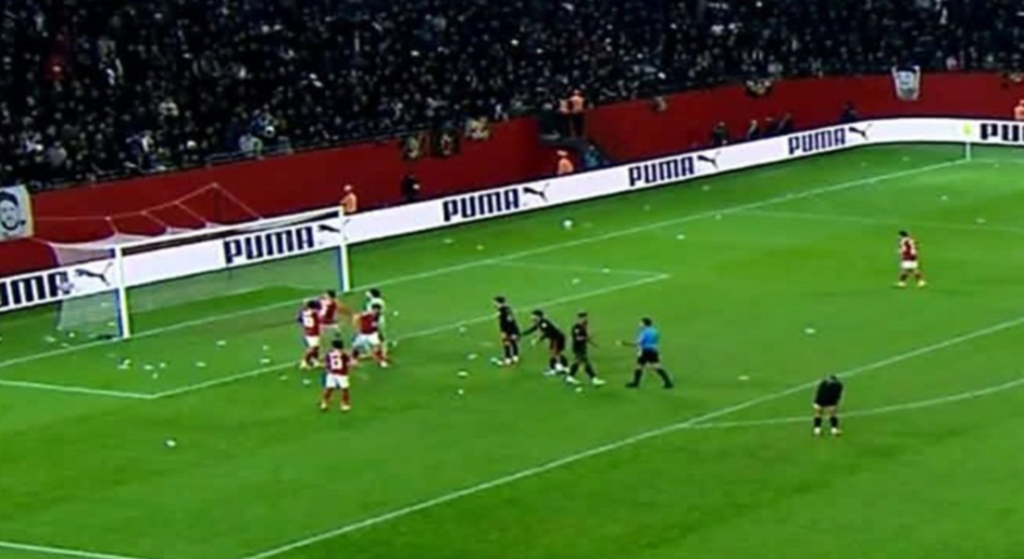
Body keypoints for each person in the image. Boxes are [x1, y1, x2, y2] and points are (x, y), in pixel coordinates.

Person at [625, 318, 673, 389]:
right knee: (639, 366)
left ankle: (635, 383)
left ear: (644, 324)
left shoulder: (644, 332)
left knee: (653, 367)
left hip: (646, 351)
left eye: (640, 323)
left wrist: (625, 343)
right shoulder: (655, 331)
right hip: (653, 350)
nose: (639, 324)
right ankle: (635, 383)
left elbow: (638, 343)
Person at [523, 310, 568, 376]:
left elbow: (548, 332)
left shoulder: (543, 323)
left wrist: (538, 339)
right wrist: (523, 334)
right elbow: (533, 329)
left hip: (557, 338)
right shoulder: (540, 322)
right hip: (554, 338)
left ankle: (560, 368)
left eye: (533, 315)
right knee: (554, 353)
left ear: (538, 316)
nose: (531, 317)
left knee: (555, 353)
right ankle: (558, 367)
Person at [567, 312, 605, 386]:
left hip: (582, 347)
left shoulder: (584, 325)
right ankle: (593, 379)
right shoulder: (576, 328)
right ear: (579, 318)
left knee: (577, 363)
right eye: (583, 317)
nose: (585, 319)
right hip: (578, 348)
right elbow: (577, 338)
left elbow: (585, 337)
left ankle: (570, 377)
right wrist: (587, 338)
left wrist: (593, 344)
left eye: (586, 317)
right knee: (585, 363)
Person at [320, 339, 355, 412]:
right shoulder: (344, 354)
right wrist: (350, 368)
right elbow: (352, 363)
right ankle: (344, 405)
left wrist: (327, 368)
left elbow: (325, 363)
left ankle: (324, 403)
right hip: (342, 374)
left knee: (329, 389)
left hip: (331, 373)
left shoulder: (329, 353)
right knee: (344, 389)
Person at [352, 303, 388, 367]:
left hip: (372, 334)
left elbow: (378, 326)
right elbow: (355, 317)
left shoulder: (379, 316)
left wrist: (379, 333)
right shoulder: (366, 314)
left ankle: (381, 361)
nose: (377, 311)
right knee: (356, 347)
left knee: (377, 347)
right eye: (376, 310)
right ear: (373, 309)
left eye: (378, 310)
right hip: (363, 334)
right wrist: (357, 328)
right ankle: (354, 361)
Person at [493, 296, 521, 366]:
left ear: (499, 303)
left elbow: (507, 322)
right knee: (512, 342)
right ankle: (515, 356)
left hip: (508, 330)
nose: (494, 304)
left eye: (495, 302)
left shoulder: (503, 311)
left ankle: (508, 359)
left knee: (507, 343)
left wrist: (504, 332)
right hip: (511, 329)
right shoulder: (507, 309)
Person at [298, 299, 323, 370]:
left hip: (307, 331)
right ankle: (304, 362)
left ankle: (315, 361)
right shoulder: (315, 313)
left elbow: (300, 320)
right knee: (312, 348)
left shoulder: (303, 312)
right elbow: (320, 308)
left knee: (316, 347)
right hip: (314, 332)